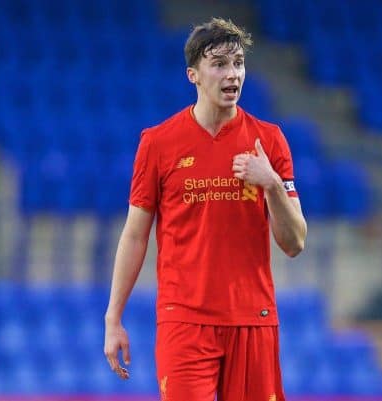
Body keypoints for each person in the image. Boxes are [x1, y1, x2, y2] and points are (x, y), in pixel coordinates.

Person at [104, 17, 307, 401]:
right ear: (193, 74)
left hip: (252, 319)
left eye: (239, 63)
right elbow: (134, 234)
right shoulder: (158, 143)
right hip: (185, 321)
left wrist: (272, 184)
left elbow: (295, 242)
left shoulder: (270, 141)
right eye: (220, 64)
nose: (233, 75)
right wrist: (113, 316)